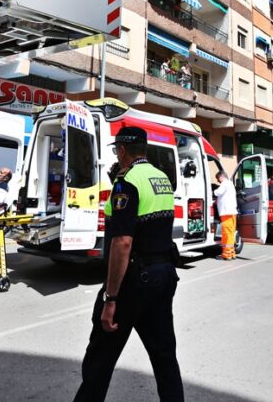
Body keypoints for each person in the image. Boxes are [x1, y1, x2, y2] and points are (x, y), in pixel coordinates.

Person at [74, 127, 183, 402]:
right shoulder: (162, 178)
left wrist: (111, 298)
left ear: (122, 150)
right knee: (164, 357)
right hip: (162, 277)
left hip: (134, 281)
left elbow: (122, 242)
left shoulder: (127, 182)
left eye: (116, 150)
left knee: (100, 358)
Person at [214, 171, 238, 260]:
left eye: (218, 179)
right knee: (231, 233)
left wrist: (213, 191)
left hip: (226, 212)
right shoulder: (230, 184)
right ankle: (231, 253)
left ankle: (226, 254)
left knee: (226, 233)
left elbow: (218, 193)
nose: (218, 181)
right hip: (232, 212)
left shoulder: (225, 183)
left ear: (221, 177)